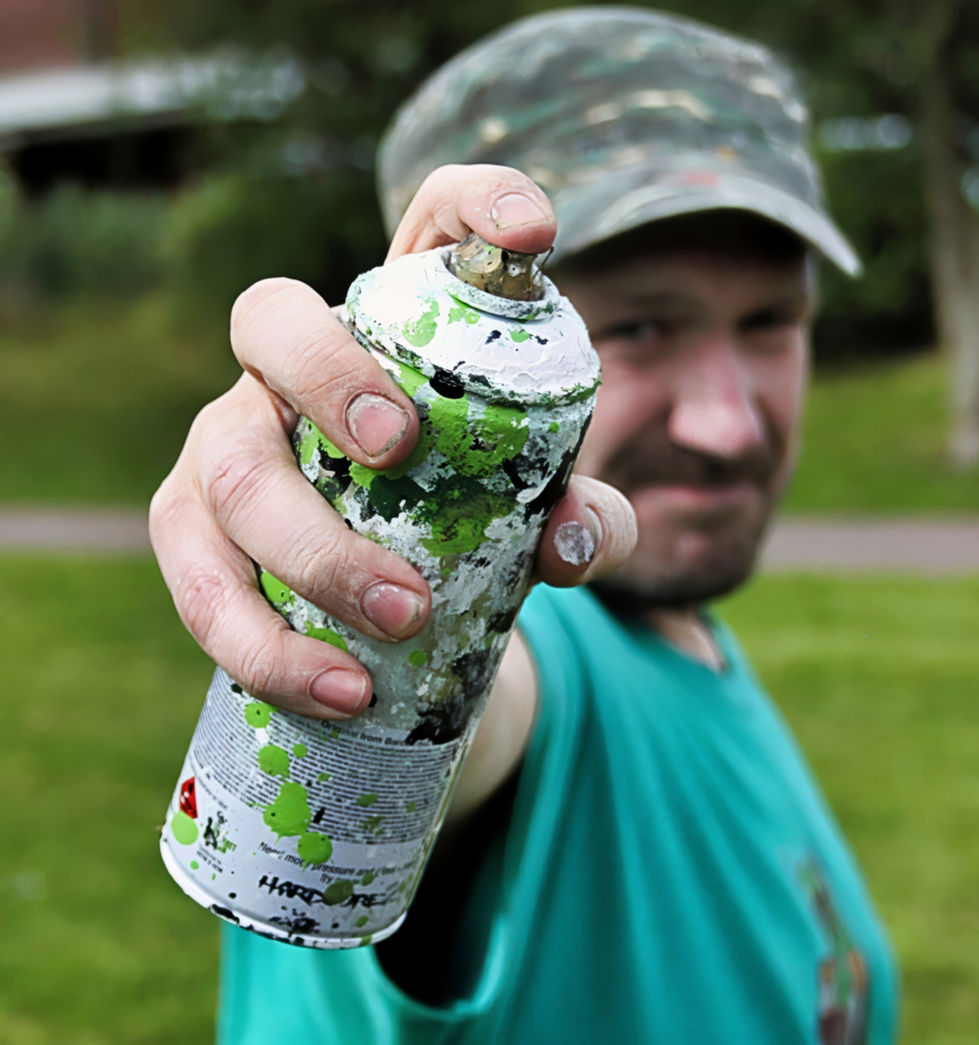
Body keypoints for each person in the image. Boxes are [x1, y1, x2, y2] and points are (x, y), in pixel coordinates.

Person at [150, 7, 898, 1043]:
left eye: (767, 320)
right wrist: (359, 565)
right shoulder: (535, 669)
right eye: (639, 326)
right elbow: (476, 713)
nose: (724, 424)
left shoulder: (692, 650)